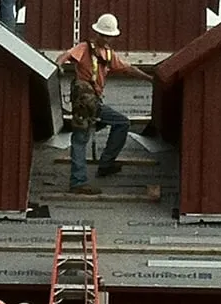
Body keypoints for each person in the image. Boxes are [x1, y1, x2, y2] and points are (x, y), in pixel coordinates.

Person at [56, 14, 153, 195]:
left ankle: (105, 164)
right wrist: (59, 66)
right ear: (97, 33)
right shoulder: (84, 48)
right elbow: (66, 55)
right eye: (104, 35)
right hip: (84, 101)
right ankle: (79, 181)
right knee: (80, 138)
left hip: (94, 102)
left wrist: (149, 78)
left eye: (109, 36)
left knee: (120, 123)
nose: (106, 39)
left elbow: (128, 68)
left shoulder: (108, 54)